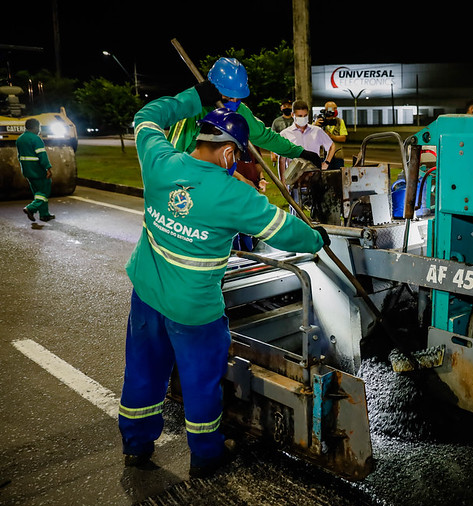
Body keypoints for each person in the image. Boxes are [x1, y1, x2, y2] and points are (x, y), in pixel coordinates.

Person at [119, 80, 329, 479]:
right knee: (201, 382)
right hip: (194, 310)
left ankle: (135, 446)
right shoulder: (233, 194)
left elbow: (145, 118)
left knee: (143, 372)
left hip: (145, 295)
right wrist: (317, 237)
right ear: (230, 152)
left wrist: (190, 97)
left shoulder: (161, 161)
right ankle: (205, 455)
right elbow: (284, 230)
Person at [168, 58, 322, 193]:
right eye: (228, 97)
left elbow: (264, 137)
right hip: (190, 185)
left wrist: (299, 152)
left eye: (238, 98)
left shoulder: (241, 111)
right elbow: (170, 157)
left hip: (221, 184)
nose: (234, 103)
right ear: (213, 89)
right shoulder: (192, 111)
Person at [16, 118, 55, 222]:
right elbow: (42, 155)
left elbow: (19, 156)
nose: (39, 130)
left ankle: (44, 214)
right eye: (39, 127)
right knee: (44, 191)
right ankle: (30, 208)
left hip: (27, 171)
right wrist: (48, 167)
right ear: (35, 127)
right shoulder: (36, 139)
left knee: (38, 193)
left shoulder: (20, 139)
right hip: (37, 170)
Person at [315, 101, 347, 170]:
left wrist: (331, 136)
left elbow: (343, 138)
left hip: (337, 155)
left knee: (338, 175)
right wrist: (315, 125)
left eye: (336, 108)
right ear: (326, 110)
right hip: (323, 155)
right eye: (334, 108)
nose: (335, 110)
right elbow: (311, 135)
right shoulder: (319, 121)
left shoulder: (339, 121)